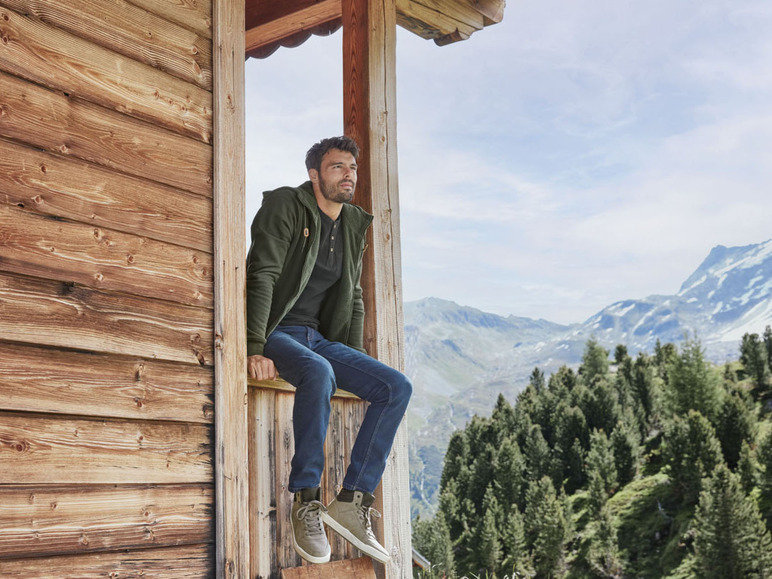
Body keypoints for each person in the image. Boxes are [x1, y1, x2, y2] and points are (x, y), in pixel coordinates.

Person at [246, 136, 412, 565]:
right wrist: (252, 345)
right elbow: (262, 273)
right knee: (318, 372)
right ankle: (306, 501)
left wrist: (355, 359)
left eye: (352, 167)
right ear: (314, 174)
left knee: (395, 386)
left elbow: (353, 296)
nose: (349, 174)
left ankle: (351, 501)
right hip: (278, 331)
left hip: (319, 338)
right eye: (337, 166)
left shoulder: (353, 223)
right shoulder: (286, 206)